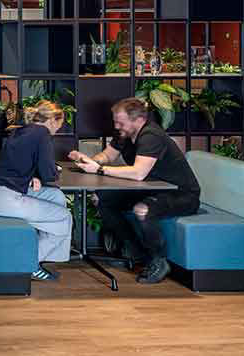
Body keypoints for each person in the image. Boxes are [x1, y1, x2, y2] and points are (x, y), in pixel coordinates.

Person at [68, 97, 201, 284]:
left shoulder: (151, 136)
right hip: (152, 190)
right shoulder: (125, 134)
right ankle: (137, 253)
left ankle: (159, 261)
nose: (116, 126)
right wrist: (89, 161)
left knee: (142, 209)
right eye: (115, 121)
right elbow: (107, 155)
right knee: (102, 199)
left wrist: (98, 169)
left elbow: (138, 173)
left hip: (181, 194)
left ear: (138, 120)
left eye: (120, 122)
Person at [0, 101, 72, 281]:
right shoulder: (42, 133)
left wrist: (34, 175)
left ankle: (42, 254)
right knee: (64, 217)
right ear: (53, 120)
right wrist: (52, 171)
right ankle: (29, 264)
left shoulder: (22, 129)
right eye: (60, 124)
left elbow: (19, 162)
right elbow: (48, 174)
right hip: (4, 198)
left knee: (56, 197)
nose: (59, 129)